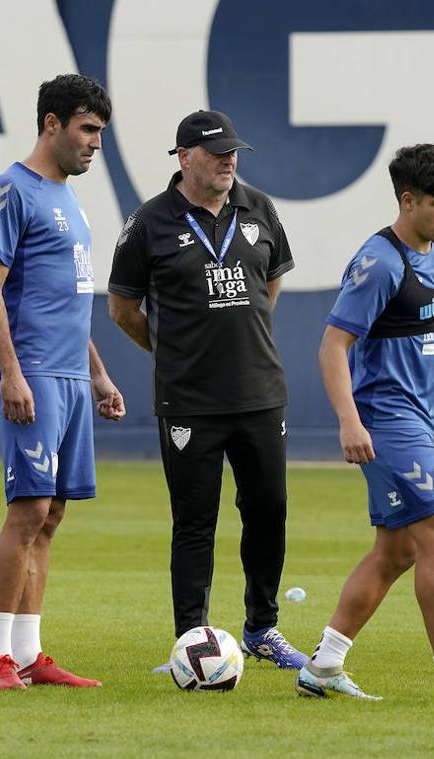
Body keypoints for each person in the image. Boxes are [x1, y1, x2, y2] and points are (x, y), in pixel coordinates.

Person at [294, 143, 434, 703]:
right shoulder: (380, 263)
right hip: (384, 422)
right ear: (408, 200)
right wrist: (349, 422)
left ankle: (323, 667)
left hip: (419, 422)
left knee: (397, 551)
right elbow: (332, 346)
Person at [108, 109, 306, 669]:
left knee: (268, 512)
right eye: (217, 152)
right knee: (195, 522)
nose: (228, 160)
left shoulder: (259, 207)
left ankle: (262, 629)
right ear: (184, 157)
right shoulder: (149, 222)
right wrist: (175, 351)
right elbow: (122, 309)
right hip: (189, 400)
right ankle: (190, 641)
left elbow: (270, 282)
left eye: (233, 152)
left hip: (261, 393)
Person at [0, 74, 125, 691]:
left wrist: (98, 372)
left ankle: (31, 654)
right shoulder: (11, 192)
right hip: (31, 374)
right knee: (29, 508)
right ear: (51, 123)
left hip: (68, 375)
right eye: (87, 129)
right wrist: (11, 372)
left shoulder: (69, 200)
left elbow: (66, 299)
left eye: (100, 133)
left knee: (53, 513)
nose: (95, 143)